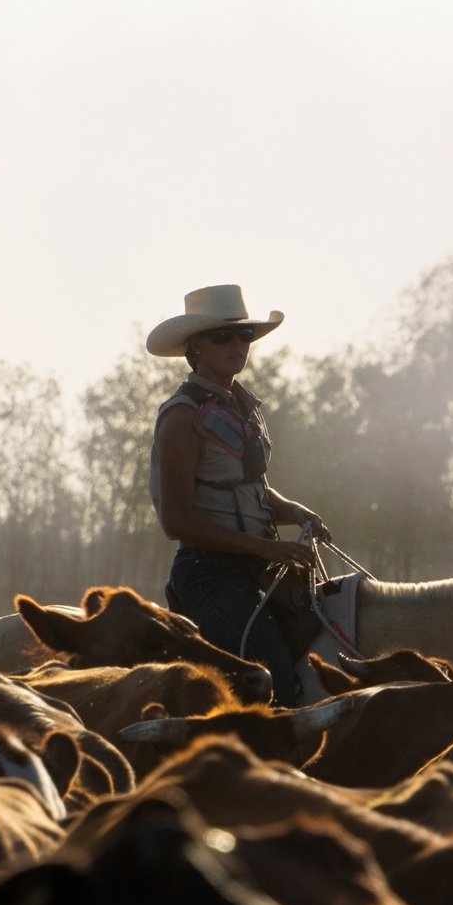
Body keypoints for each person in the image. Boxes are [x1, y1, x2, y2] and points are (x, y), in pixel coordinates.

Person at [147, 284, 331, 706]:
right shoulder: (181, 417)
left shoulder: (241, 408)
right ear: (196, 346)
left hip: (253, 568)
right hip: (208, 575)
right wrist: (265, 549)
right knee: (274, 687)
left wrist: (297, 512)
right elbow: (175, 521)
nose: (236, 344)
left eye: (243, 336)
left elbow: (255, 490)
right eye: (222, 336)